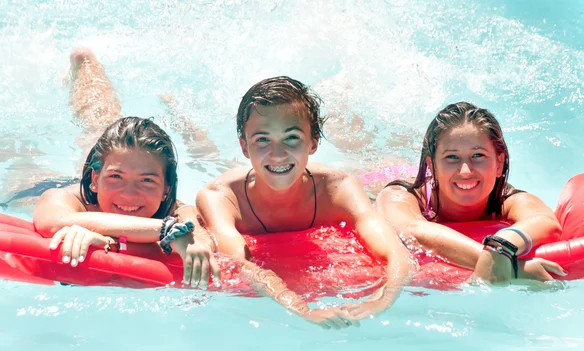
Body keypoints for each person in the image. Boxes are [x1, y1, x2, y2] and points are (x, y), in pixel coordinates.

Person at [195, 76, 416, 329]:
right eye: (262, 140)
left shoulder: (338, 189)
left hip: (359, 176)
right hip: (244, 180)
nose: (277, 153)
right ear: (244, 147)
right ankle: (182, 118)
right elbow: (238, 264)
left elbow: (396, 252)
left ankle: (343, 95)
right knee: (204, 152)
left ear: (313, 143)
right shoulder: (220, 197)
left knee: (381, 169)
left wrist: (381, 301)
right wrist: (300, 309)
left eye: (291, 138)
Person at [32, 48, 219, 289]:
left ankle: (180, 116)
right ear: (95, 179)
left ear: (166, 189)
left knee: (111, 144)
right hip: (43, 183)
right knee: (96, 127)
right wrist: (167, 232)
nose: (129, 194)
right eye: (116, 178)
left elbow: (203, 241)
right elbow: (52, 224)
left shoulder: (178, 211)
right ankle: (85, 65)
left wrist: (109, 242)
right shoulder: (65, 199)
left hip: (110, 170)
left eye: (147, 181)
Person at [376, 102, 567, 283]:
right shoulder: (403, 194)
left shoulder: (506, 199)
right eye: (451, 157)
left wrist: (504, 243)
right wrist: (512, 266)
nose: (465, 171)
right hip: (377, 177)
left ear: (499, 163)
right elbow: (411, 231)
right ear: (431, 166)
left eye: (478, 155)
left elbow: (546, 221)